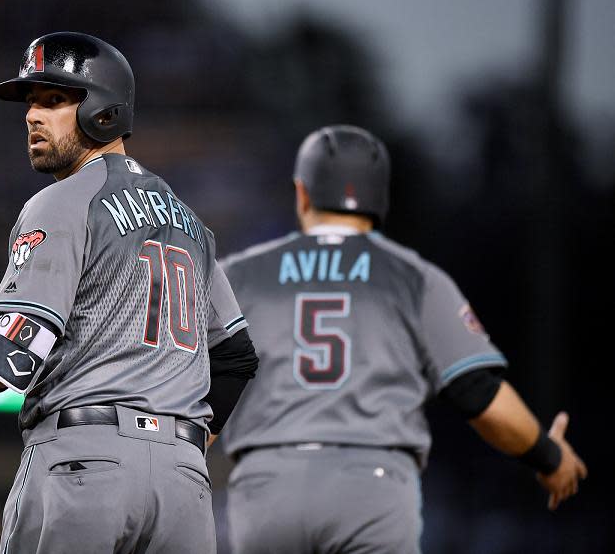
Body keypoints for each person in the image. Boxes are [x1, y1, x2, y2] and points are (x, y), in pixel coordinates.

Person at [0, 32, 258, 554]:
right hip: (183, 486)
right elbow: (235, 356)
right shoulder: (190, 224)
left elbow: (13, 357)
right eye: (31, 103)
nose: (32, 116)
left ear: (104, 111)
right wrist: (176, 449)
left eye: (54, 100)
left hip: (83, 465)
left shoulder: (63, 201)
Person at [217, 125, 587, 554]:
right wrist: (549, 455)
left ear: (302, 194)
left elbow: (185, 372)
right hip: (372, 486)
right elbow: (478, 395)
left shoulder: (238, 274)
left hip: (268, 485)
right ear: (380, 202)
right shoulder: (414, 278)